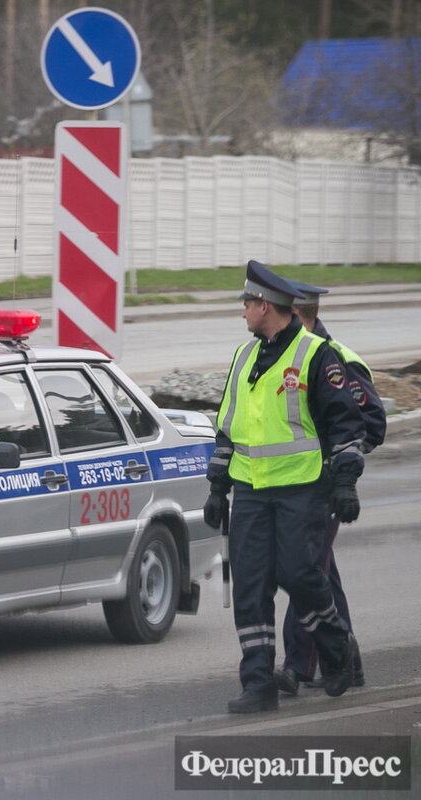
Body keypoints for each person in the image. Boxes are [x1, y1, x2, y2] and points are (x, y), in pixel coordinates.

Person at [203, 260, 367, 714]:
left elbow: (346, 425)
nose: (242, 313)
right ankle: (258, 683)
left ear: (266, 306)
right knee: (251, 586)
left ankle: (336, 648)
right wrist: (218, 487)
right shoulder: (244, 356)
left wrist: (346, 483)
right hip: (251, 491)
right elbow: (227, 429)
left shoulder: (317, 355)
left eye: (246, 304)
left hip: (302, 489)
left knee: (299, 575)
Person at [273, 279, 386, 695]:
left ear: (301, 316)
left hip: (323, 487)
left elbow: (372, 425)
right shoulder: (285, 355)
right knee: (322, 576)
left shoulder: (335, 359)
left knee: (304, 572)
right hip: (294, 486)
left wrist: (337, 470)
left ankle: (297, 666)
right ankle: (348, 662)